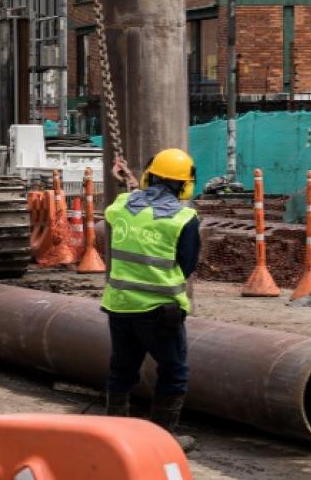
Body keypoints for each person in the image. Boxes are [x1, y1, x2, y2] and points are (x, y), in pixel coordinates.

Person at [101, 147, 201, 451]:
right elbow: (187, 265)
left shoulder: (121, 206)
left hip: (119, 306)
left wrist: (126, 182)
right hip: (160, 312)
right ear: (185, 184)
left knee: (122, 369)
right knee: (174, 371)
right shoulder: (184, 218)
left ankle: (113, 437)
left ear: (149, 175)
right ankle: (161, 441)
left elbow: (134, 203)